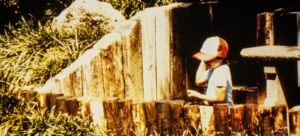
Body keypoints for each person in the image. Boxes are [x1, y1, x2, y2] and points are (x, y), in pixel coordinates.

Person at [187, 36, 233, 105]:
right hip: (213, 109)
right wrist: (204, 59)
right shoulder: (213, 69)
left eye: (209, 59)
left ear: (220, 57)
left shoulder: (222, 70)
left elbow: (220, 98)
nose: (206, 62)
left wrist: (197, 95)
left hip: (222, 111)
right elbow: (198, 81)